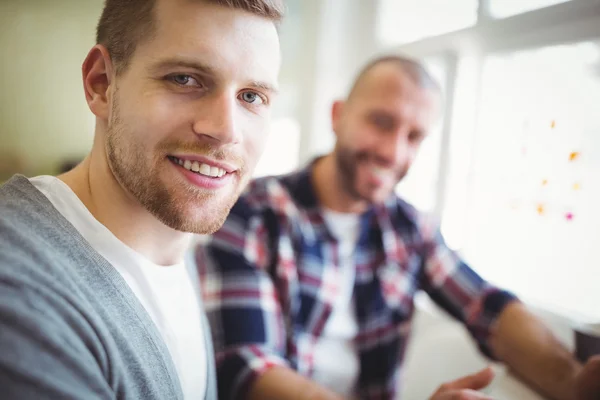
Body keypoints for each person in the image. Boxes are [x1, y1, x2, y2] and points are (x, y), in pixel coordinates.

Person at [196, 55, 600, 400]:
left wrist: (574, 381)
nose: (394, 151)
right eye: (381, 122)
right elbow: (248, 367)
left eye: (414, 136)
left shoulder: (410, 228)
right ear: (338, 116)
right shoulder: (249, 213)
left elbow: (488, 308)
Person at [0, 0, 282, 398]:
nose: (225, 130)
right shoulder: (21, 288)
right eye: (185, 79)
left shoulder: (175, 254)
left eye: (251, 97)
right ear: (101, 84)